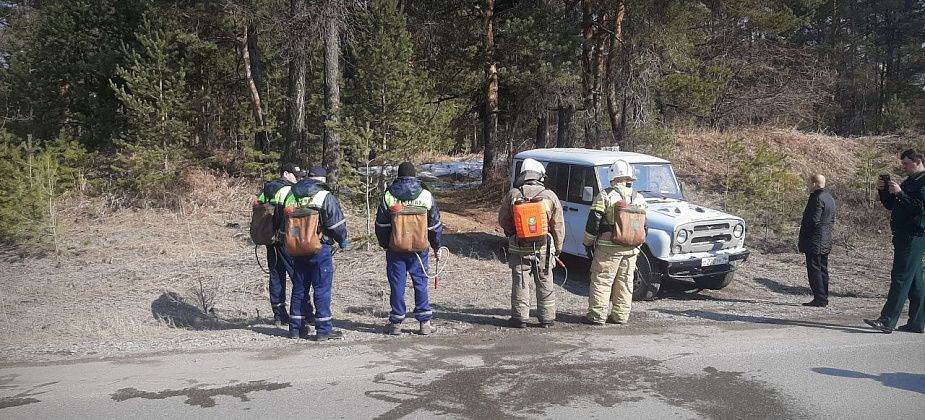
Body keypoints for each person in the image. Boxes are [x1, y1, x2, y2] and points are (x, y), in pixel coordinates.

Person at [375, 162, 443, 335]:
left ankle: (396, 322)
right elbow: (434, 225)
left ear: (399, 175)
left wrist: (386, 244)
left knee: (397, 284)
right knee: (420, 283)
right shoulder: (425, 195)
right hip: (420, 249)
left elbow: (381, 224)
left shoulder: (389, 195)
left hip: (396, 249)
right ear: (414, 175)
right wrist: (437, 246)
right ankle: (424, 323)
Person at [283, 167, 350, 341]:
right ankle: (323, 330)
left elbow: (282, 223)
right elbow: (336, 225)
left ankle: (295, 329)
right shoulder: (323, 196)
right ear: (322, 179)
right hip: (320, 249)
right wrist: (342, 239)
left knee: (299, 289)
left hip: (297, 249)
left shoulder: (291, 196)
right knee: (321, 289)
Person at [498, 158, 565, 328]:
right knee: (545, 280)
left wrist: (512, 232)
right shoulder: (550, 196)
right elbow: (558, 225)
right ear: (540, 176)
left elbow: (503, 220)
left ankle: (520, 318)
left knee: (521, 282)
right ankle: (547, 318)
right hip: (544, 247)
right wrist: (558, 248)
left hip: (518, 247)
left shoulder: (513, 194)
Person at [864, 149, 925, 334]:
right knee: (915, 282)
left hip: (914, 235)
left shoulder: (923, 182)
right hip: (903, 235)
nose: (904, 167)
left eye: (907, 163)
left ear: (919, 161)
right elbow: (893, 205)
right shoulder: (910, 181)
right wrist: (884, 191)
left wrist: (900, 194)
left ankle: (887, 320)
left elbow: (919, 209)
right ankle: (917, 322)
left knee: (899, 278)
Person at [581, 159, 648, 325]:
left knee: (602, 279)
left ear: (612, 177)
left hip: (608, 247)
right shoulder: (639, 198)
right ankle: (620, 316)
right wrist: (637, 245)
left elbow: (594, 221)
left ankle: (597, 315)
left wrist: (588, 242)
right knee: (625, 281)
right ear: (630, 178)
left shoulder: (606, 195)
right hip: (631, 249)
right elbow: (644, 225)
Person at [256, 163, 303, 327]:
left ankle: (278, 315)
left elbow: (257, 206)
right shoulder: (290, 191)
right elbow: (292, 217)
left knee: (275, 275)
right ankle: (301, 314)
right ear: (286, 174)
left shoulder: (267, 188)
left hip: (270, 239)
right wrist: (296, 239)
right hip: (285, 239)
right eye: (295, 176)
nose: (298, 179)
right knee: (297, 275)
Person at [798, 174, 836, 307]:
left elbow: (813, 220)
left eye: (809, 183)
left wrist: (805, 236)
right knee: (823, 269)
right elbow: (831, 219)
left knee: (814, 269)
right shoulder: (829, 198)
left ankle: (819, 298)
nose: (808, 186)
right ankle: (823, 296)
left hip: (815, 239)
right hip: (826, 237)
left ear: (814, 184)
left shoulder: (817, 198)